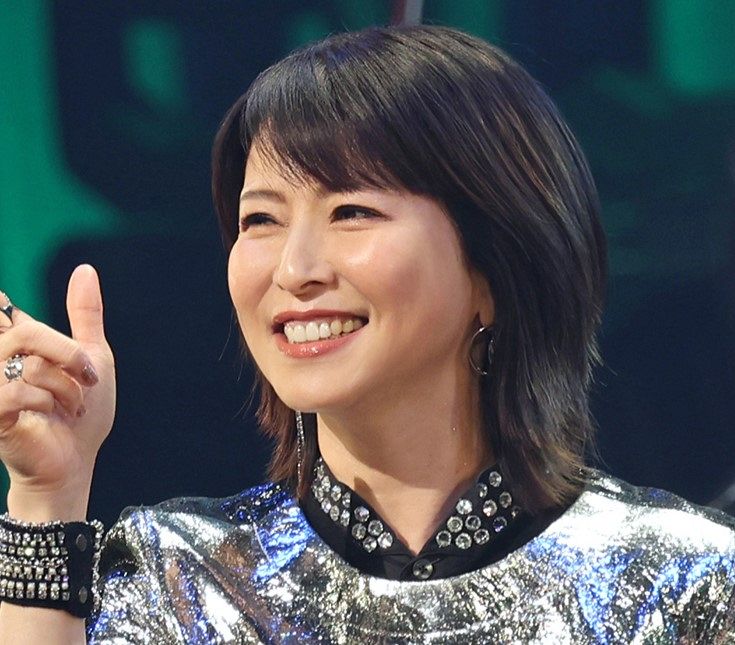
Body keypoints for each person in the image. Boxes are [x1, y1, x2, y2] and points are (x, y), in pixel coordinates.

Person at [0, 25, 733, 644]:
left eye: (351, 211)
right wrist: (47, 495)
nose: (294, 269)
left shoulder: (681, 584)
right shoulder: (180, 581)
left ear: (495, 266)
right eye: (260, 219)